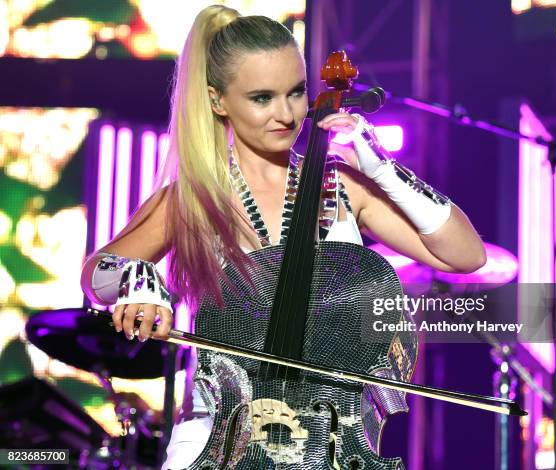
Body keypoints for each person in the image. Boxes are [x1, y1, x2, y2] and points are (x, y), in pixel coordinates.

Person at [80, 5, 486, 468]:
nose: (286, 113)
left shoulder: (342, 187)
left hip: (331, 444)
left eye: (296, 93)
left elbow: (465, 256)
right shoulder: (191, 201)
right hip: (220, 440)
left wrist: (381, 167)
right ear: (217, 101)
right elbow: (96, 274)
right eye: (261, 98)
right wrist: (136, 280)